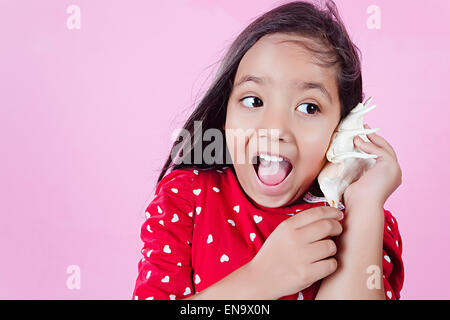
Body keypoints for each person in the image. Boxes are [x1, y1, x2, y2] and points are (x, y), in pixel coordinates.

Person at [132, 0, 404, 300]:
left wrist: (365, 206)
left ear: (341, 128)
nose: (274, 129)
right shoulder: (186, 199)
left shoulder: (360, 220)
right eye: (253, 101)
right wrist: (260, 280)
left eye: (308, 107)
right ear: (225, 116)